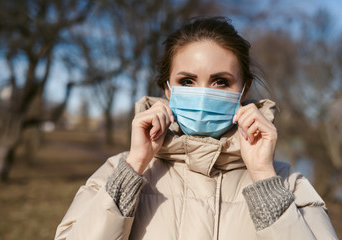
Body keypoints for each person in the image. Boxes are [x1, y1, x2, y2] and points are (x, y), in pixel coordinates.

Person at [55, 17, 337, 240]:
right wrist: (135, 165)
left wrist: (263, 178)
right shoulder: (119, 171)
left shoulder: (286, 181)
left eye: (221, 82)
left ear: (244, 90)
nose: (203, 94)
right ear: (168, 89)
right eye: (188, 81)